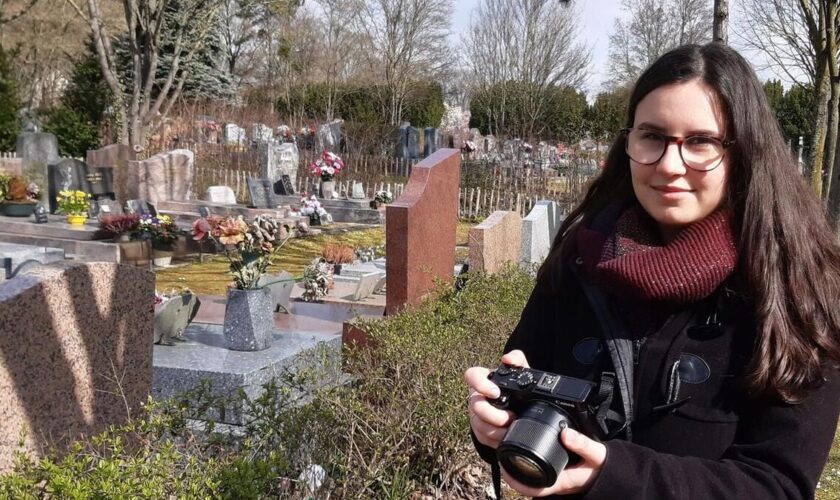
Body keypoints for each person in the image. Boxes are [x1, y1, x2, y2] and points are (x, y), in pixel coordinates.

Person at [465, 43, 840, 499]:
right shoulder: (579, 259)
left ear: (745, 152)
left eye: (700, 142)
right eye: (652, 136)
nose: (669, 164)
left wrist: (616, 476)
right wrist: (497, 424)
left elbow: (778, 486)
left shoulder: (798, 290)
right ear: (628, 142)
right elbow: (524, 400)